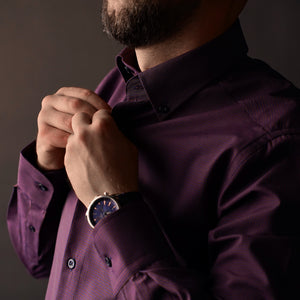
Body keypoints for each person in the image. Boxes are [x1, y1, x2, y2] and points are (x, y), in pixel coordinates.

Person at [7, 0, 300, 299]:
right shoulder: (115, 88)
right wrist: (46, 168)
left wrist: (109, 204)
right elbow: (38, 260)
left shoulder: (278, 144)